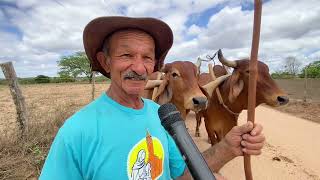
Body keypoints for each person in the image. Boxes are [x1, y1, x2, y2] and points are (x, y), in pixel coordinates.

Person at [40, 16, 265, 180]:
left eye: (147, 57)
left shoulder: (160, 114)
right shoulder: (76, 131)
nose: (139, 67)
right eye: (126, 54)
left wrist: (228, 147)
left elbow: (182, 174)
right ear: (105, 61)